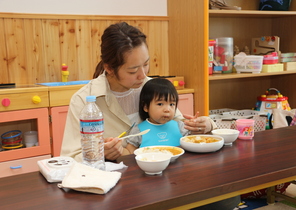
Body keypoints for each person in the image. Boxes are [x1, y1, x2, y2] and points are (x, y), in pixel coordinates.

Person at [60, 21, 214, 162]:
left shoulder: (153, 88)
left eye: (146, 64)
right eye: (133, 70)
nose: (143, 75)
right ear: (109, 68)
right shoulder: (83, 100)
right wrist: (101, 153)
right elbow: (69, 159)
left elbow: (180, 127)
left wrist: (205, 125)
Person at [125, 78, 190, 153]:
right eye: (160, 104)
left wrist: (196, 126)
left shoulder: (180, 126)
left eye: (171, 104)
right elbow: (130, 151)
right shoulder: (138, 130)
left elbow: (192, 140)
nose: (167, 109)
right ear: (146, 107)